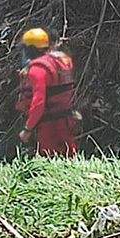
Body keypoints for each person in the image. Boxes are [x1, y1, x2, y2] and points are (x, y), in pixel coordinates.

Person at [16, 28, 78, 157]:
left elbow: (39, 102)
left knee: (48, 159)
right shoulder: (63, 60)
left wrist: (28, 129)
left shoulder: (37, 69)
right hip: (67, 119)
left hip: (49, 125)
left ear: (30, 49)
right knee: (70, 156)